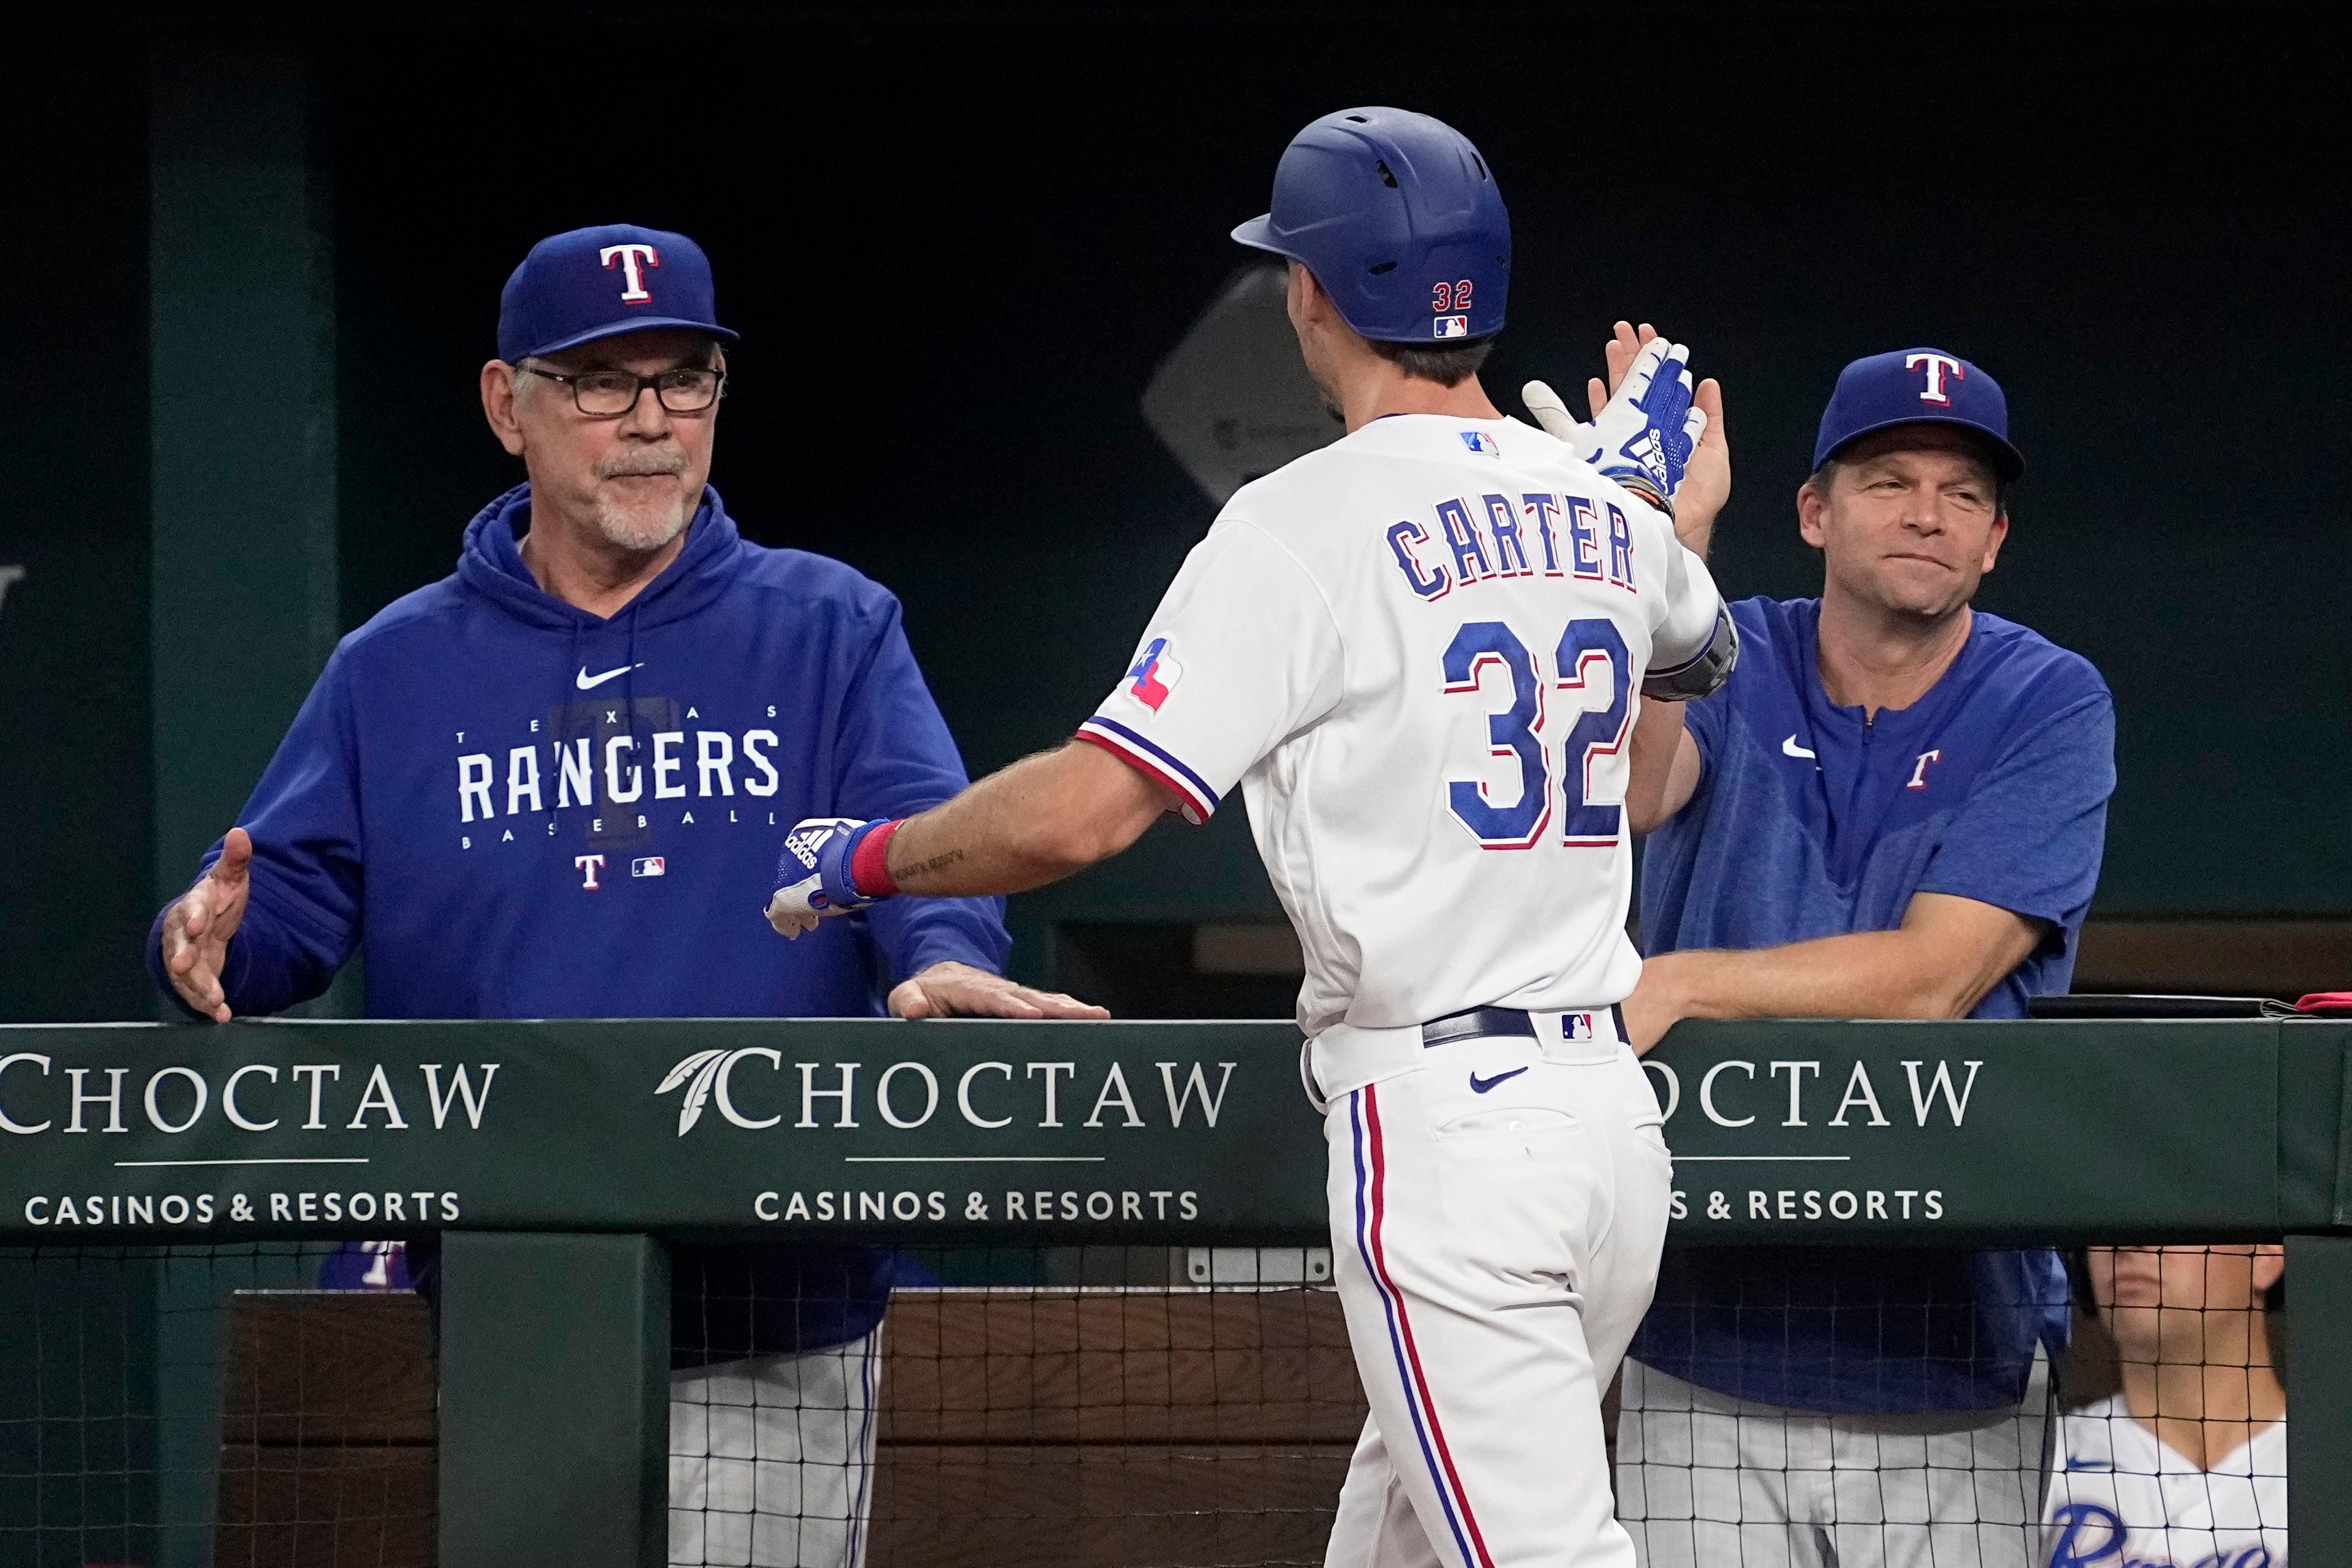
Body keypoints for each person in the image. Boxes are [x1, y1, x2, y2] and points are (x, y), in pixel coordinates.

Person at [766, 106, 1738, 1568]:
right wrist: (1650, 507)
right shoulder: (1601, 509)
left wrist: (869, 860)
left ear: (1308, 292)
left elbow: (1091, 808)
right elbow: (1681, 693)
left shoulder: (1295, 522)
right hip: (1606, 1136)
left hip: (1452, 1131)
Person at [147, 222, 1100, 1568]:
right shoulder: (395, 665)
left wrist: (935, 949)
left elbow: (922, 843)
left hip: (773, 1303)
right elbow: (280, 905)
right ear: (506, 405)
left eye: (683, 379)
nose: (650, 422)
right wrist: (211, 934)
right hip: (496, 1309)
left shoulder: (830, 626)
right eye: (602, 382)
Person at [1612, 349, 2118, 1567]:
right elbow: (1629, 794)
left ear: (1993, 538)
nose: (1924, 514)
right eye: (1888, 478)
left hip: (1950, 1348)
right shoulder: (1722, 652)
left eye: (1959, 493)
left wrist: (1683, 982)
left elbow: (1934, 980)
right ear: (1812, 511)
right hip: (1699, 1333)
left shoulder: (2046, 698)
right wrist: (1665, 555)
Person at [2044, 1245, 2287, 1567]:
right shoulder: (2031, 1460)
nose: (2129, 1243)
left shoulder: (2336, 1469)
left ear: (2266, 1254)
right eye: (2110, 1213)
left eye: (2172, 1205)